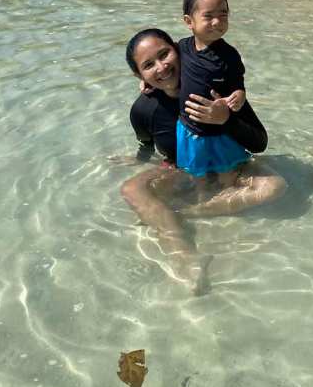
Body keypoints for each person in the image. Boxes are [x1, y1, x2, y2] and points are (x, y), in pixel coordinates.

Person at [121, 27, 285, 285]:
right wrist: (140, 159)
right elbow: (146, 144)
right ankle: (184, 256)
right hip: (181, 170)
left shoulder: (214, 87)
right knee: (132, 188)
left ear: (177, 49)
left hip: (233, 167)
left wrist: (226, 119)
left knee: (275, 186)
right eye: (149, 65)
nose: (162, 67)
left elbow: (259, 143)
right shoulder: (143, 110)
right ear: (138, 75)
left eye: (165, 54)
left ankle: (181, 213)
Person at [177, 0, 262, 191]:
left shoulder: (229, 55)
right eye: (208, 16)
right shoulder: (182, 47)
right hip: (190, 129)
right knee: (197, 177)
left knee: (227, 173)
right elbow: (167, 67)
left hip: (220, 132)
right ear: (189, 22)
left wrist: (239, 94)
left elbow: (237, 81)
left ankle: (229, 201)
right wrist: (145, 81)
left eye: (223, 15)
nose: (217, 22)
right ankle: (201, 200)